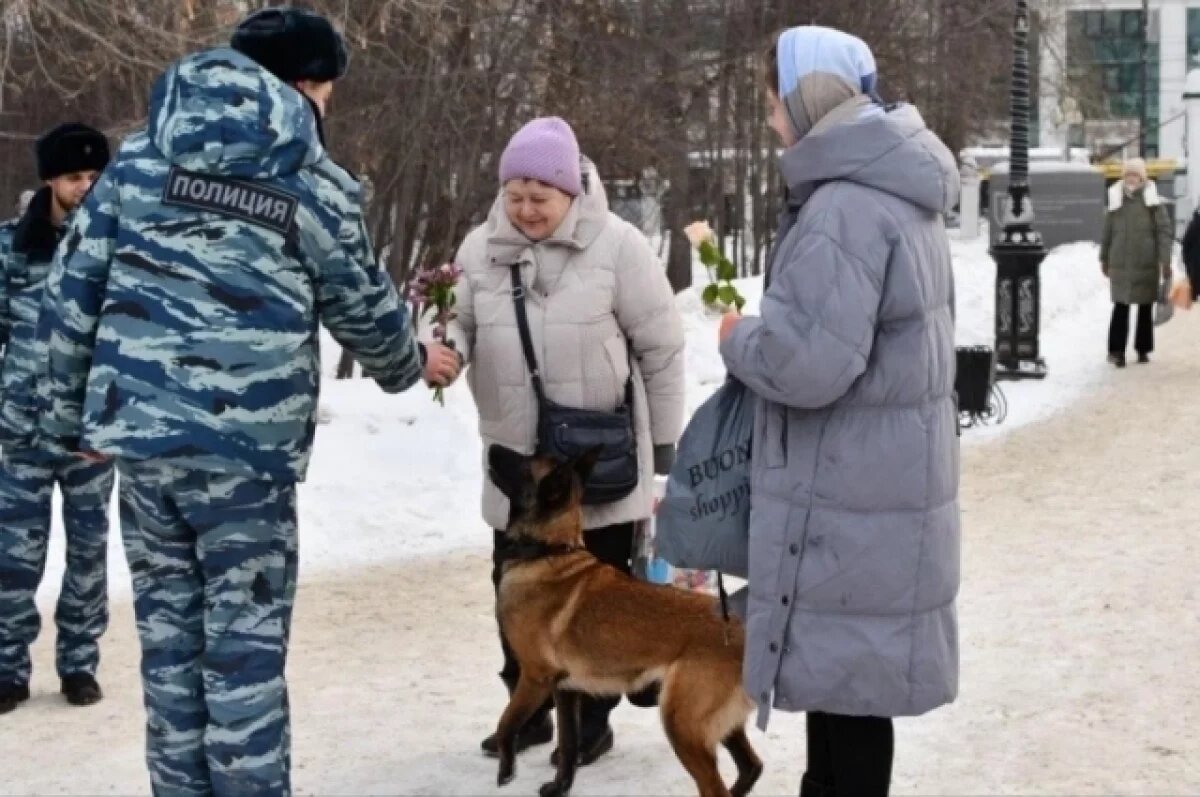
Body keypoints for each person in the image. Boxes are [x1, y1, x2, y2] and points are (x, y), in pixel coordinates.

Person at [31, 7, 459, 794]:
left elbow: (68, 297)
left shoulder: (135, 165)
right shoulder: (310, 181)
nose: (325, 108)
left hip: (147, 450)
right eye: (325, 91)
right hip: (247, 460)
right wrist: (410, 364)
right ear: (302, 84)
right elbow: (362, 305)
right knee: (243, 656)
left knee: (171, 655)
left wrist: (71, 423)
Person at [717, 26, 961, 797]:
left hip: (848, 497)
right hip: (879, 488)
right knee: (850, 694)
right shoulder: (893, 191)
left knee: (846, 706)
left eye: (773, 102)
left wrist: (737, 337)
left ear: (808, 98)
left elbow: (807, 363)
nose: (769, 119)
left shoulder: (843, 209)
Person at [446, 117, 685, 765]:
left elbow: (662, 349)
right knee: (516, 593)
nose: (525, 209)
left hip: (596, 466)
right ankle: (526, 711)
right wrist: (443, 352)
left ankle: (591, 720)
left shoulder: (619, 247)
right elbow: (457, 325)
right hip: (517, 469)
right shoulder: (478, 251)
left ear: (570, 192)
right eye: (514, 194)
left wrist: (665, 451)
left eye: (539, 197)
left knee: (596, 606)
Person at [0, 123, 115, 714]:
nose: (87, 187)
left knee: (89, 555)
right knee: (12, 559)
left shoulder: (118, 247)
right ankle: (6, 668)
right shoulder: (9, 248)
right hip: (21, 432)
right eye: (75, 177)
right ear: (49, 178)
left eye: (96, 177)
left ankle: (78, 664)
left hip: (91, 436)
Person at [1101, 158, 1173, 367]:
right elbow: (1107, 233)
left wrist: (1165, 260)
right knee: (1120, 307)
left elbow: (1164, 231)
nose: (1131, 179)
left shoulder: (1152, 202)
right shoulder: (1116, 200)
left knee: (1144, 308)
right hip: (1120, 264)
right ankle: (1116, 351)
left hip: (1146, 263)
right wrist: (1103, 258)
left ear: (1142, 177)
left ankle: (1142, 349)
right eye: (1127, 175)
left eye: (1135, 175)